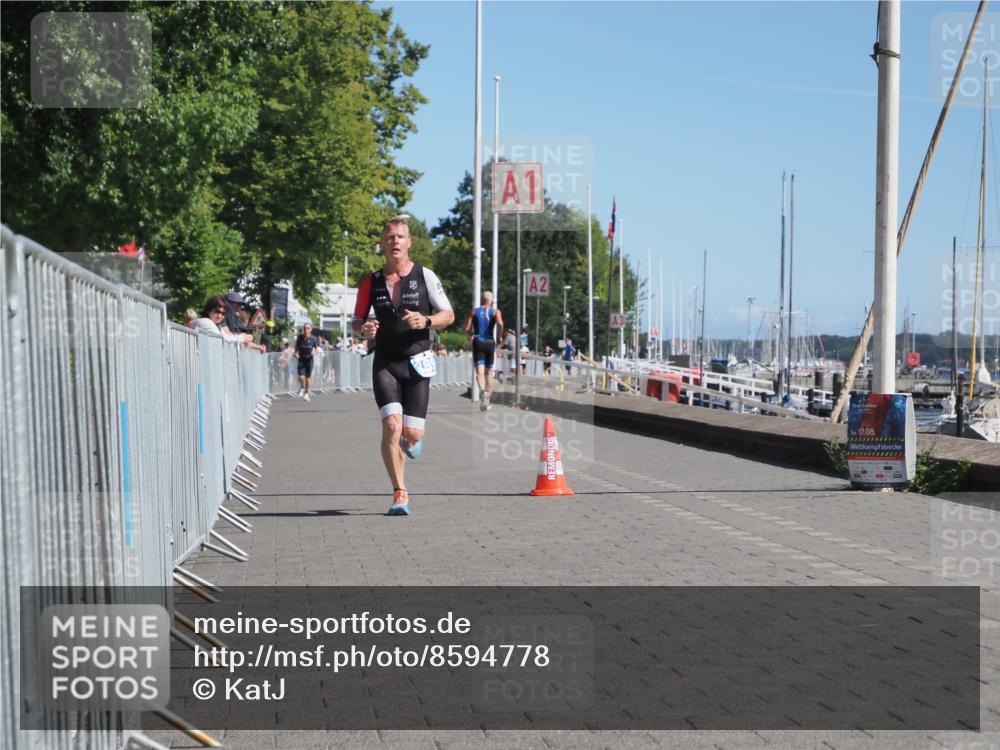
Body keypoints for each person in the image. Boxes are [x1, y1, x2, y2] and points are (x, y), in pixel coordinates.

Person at [352, 215, 454, 516]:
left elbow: (448, 314)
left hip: (418, 361)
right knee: (391, 426)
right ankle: (400, 492)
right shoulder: (371, 282)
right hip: (385, 361)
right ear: (382, 243)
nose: (395, 241)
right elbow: (357, 321)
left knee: (413, 434)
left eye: (400, 237)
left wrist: (427, 321)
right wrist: (363, 330)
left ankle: (412, 440)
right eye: (390, 237)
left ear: (409, 243)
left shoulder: (425, 276)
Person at [464, 291, 504, 411]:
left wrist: (471, 334)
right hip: (490, 342)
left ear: (481, 299)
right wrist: (500, 336)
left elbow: (467, 328)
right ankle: (487, 398)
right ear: (491, 301)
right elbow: (500, 323)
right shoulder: (495, 312)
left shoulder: (474, 311)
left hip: (478, 341)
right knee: (489, 373)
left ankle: (482, 390)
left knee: (479, 373)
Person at [294, 323, 318, 400]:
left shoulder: (314, 339)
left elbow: (316, 349)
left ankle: (306, 393)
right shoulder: (300, 338)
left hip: (309, 360)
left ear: (310, 330)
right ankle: (302, 387)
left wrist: (314, 352)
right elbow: (296, 349)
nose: (306, 330)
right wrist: (295, 354)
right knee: (301, 377)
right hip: (301, 359)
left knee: (308, 378)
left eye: (308, 328)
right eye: (304, 328)